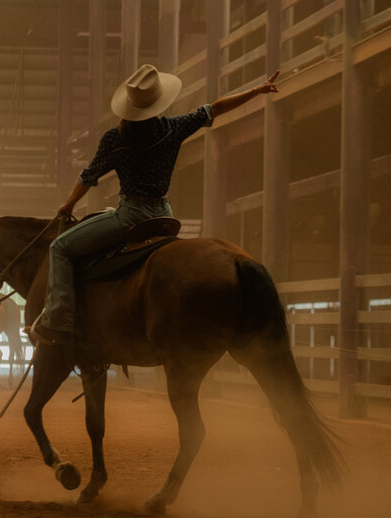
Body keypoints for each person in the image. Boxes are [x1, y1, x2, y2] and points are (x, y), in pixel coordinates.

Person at [30, 63, 280, 346]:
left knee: (59, 247)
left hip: (130, 217)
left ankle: (59, 318)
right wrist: (257, 90)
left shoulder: (115, 139)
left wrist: (69, 205)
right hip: (164, 215)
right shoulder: (173, 128)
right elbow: (216, 108)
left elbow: (89, 177)